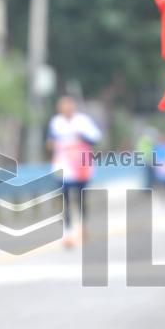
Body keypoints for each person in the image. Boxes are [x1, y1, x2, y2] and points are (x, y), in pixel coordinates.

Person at [46, 96, 102, 248]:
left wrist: (82, 136)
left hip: (81, 165)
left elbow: (96, 137)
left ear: (73, 106)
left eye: (68, 105)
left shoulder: (83, 121)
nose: (65, 108)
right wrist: (51, 144)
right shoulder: (56, 122)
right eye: (62, 106)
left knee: (81, 197)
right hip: (62, 164)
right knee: (64, 199)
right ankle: (67, 232)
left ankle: (82, 226)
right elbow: (50, 143)